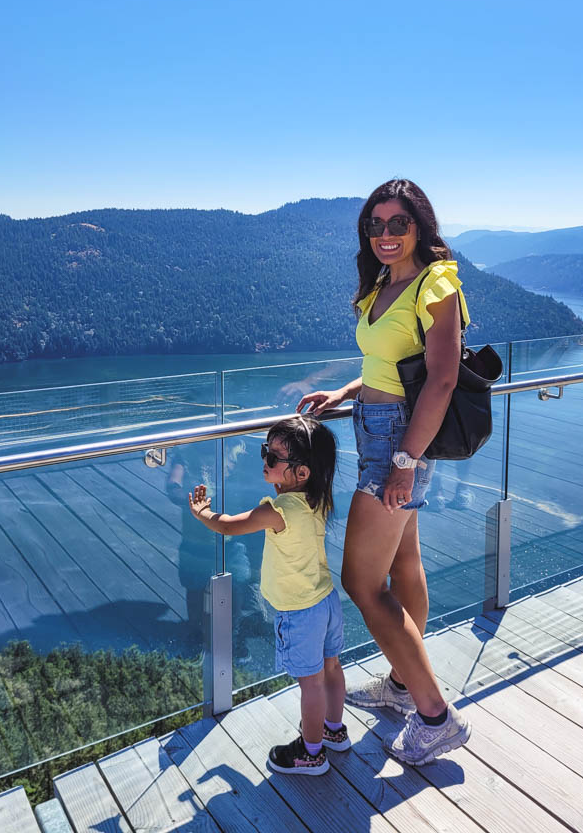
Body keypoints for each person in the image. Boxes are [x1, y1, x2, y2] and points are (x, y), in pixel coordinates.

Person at [297, 178, 472, 766]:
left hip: (398, 442)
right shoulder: (382, 284)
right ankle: (402, 689)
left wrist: (404, 461)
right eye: (376, 226)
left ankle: (435, 716)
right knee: (402, 564)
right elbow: (389, 363)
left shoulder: (435, 283)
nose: (386, 235)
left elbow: (442, 378)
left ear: (419, 225)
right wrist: (343, 391)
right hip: (376, 426)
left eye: (398, 223)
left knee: (360, 583)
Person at [188, 414, 349, 775]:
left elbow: (229, 526)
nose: (264, 460)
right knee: (331, 668)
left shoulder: (276, 511)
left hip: (299, 611)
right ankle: (334, 731)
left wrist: (203, 514)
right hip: (326, 601)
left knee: (311, 685)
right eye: (266, 451)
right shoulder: (316, 499)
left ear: (302, 472)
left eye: (273, 457)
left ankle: (311, 754)